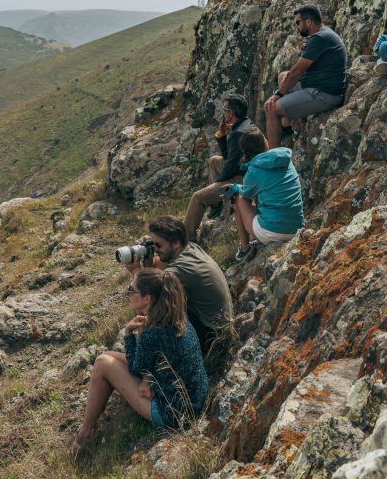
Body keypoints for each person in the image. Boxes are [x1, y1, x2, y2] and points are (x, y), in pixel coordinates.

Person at [73, 268, 208, 449]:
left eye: (131, 290)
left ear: (147, 298)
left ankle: (85, 433)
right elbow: (153, 362)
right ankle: (99, 414)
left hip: (174, 414)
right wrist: (147, 379)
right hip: (194, 400)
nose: (128, 294)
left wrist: (128, 334)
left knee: (102, 363)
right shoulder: (177, 317)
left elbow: (136, 367)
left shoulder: (153, 332)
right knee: (108, 357)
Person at [125, 216, 233, 358]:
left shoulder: (182, 268)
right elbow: (160, 266)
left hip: (211, 336)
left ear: (176, 243)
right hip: (216, 323)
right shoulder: (190, 248)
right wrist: (149, 259)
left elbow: (146, 293)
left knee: (152, 305)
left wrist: (136, 271)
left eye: (158, 245)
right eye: (153, 244)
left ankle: (150, 357)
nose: (155, 249)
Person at [263, 5, 347, 148]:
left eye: (298, 22)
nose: (296, 26)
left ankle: (273, 155)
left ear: (308, 22)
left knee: (271, 108)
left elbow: (297, 71)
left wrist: (277, 95)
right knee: (283, 75)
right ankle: (286, 124)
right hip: (316, 86)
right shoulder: (325, 34)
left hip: (323, 94)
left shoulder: (320, 39)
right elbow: (294, 73)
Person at [183, 93, 259, 242]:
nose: (223, 113)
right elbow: (228, 157)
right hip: (247, 172)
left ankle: (187, 238)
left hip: (244, 179)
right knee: (214, 161)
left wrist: (215, 185)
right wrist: (222, 134)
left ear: (231, 113)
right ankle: (217, 204)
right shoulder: (245, 124)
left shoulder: (239, 133)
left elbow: (229, 169)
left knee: (198, 197)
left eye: (225, 110)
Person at [224, 131, 304, 260]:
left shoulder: (253, 171)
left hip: (272, 232)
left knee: (239, 198)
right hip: (297, 227)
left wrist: (233, 187)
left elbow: (245, 194)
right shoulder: (285, 159)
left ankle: (244, 248)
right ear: (264, 143)